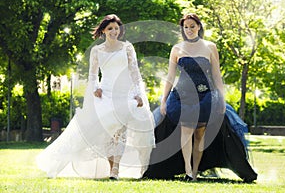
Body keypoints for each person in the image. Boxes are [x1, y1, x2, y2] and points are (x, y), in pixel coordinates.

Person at [36, 14, 155, 180]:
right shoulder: (97, 50)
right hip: (105, 94)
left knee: (120, 132)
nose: (114, 31)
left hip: (125, 94)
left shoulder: (127, 47)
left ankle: (115, 171)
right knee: (108, 132)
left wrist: (138, 93)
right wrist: (96, 88)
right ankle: (111, 168)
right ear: (104, 31)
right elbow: (93, 75)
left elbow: (135, 72)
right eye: (110, 28)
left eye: (116, 28)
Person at [159, 13, 225, 181]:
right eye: (186, 27)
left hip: (205, 95)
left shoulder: (210, 47)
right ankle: (188, 171)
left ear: (199, 27)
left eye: (192, 26)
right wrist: (163, 100)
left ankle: (195, 171)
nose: (189, 30)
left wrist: (222, 99)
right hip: (183, 96)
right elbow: (170, 76)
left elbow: (217, 76)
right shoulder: (177, 49)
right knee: (186, 131)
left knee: (199, 135)